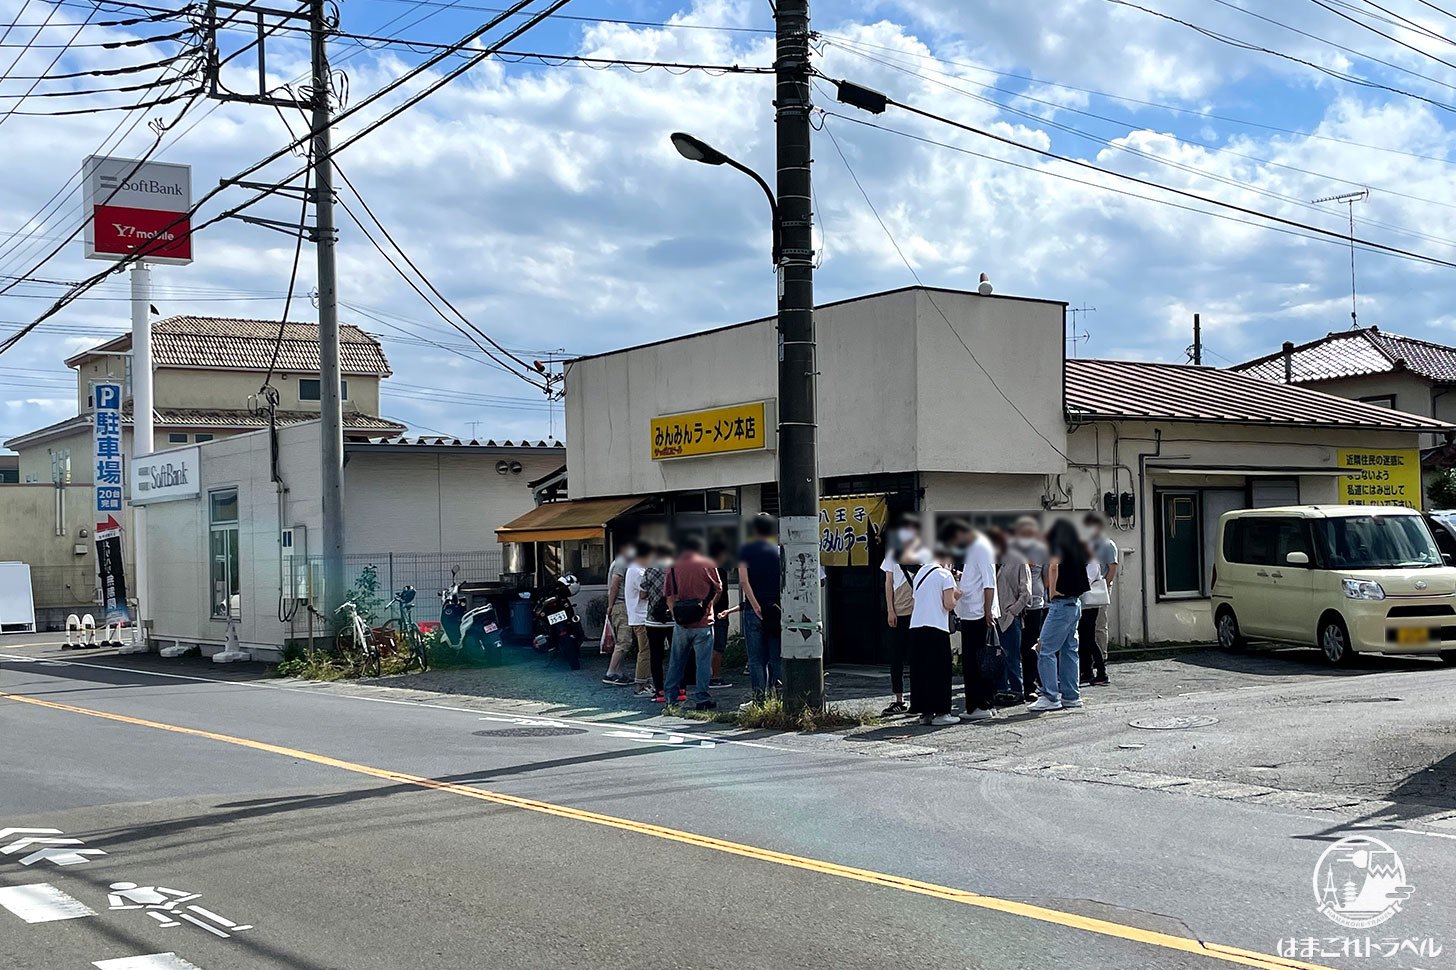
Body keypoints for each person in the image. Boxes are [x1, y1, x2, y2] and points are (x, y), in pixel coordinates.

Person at [1029, 518, 1091, 712]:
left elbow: (1054, 565)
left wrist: (1053, 590)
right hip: (1075, 603)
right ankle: (1071, 695)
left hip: (1060, 605)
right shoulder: (1078, 547)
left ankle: (1050, 695)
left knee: (1045, 648)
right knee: (1069, 650)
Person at [664, 535, 722, 711]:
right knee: (703, 663)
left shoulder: (673, 566)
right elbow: (718, 588)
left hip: (681, 622)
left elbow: (668, 595)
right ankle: (702, 698)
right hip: (704, 621)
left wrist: (676, 614)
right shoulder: (707, 563)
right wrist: (708, 606)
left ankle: (670, 699)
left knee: (676, 661)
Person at [950, 520, 1000, 722]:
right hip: (972, 612)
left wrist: (987, 611)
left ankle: (979, 705)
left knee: (976, 663)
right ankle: (983, 703)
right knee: (979, 661)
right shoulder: (974, 550)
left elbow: (989, 584)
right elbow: (978, 580)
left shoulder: (980, 549)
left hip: (977, 614)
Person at [908, 544, 961, 726]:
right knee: (940, 671)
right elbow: (948, 604)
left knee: (921, 671)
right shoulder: (945, 575)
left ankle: (925, 713)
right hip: (936, 627)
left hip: (916, 627)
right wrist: (958, 596)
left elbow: (916, 601)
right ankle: (942, 713)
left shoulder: (919, 574)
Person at [880, 514, 925, 716]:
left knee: (917, 657)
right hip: (898, 611)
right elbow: (888, 583)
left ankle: (918, 697)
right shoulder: (893, 553)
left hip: (918, 613)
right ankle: (899, 698)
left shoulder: (923, 553)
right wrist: (890, 609)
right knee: (896, 657)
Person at [737, 514, 782, 700]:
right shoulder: (779, 551)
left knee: (756, 660)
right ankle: (777, 697)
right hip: (775, 608)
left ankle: (759, 700)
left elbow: (743, 581)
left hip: (752, 610)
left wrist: (755, 606)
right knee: (776, 657)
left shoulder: (744, 551)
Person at [988, 526, 1030, 707]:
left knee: (1012, 656)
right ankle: (1001, 690)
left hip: (1010, 616)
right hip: (994, 616)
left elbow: (1027, 591)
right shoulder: (991, 561)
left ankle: (1017, 690)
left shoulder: (1019, 561)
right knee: (997, 655)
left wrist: (1014, 610)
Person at [1012, 516, 1048, 701]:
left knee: (1031, 646)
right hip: (1015, 604)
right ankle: (1016, 685)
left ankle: (1031, 684)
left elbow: (1046, 577)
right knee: (1014, 646)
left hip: (1035, 604)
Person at [1085, 512, 1118, 686]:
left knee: (1099, 624)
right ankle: (1089, 664)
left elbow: (1112, 568)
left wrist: (1104, 586)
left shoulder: (1107, 544)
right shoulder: (1089, 544)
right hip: (1089, 587)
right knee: (1089, 628)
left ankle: (1102, 657)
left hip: (1100, 587)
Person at [641, 544, 676, 703]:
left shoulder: (650, 570)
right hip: (674, 619)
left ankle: (660, 692)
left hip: (654, 620)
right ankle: (680, 690)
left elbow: (642, 594)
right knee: (677, 655)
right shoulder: (675, 569)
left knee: (656, 657)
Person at [601, 542, 637, 685]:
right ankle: (611, 673)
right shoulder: (621, 563)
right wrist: (611, 605)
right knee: (624, 641)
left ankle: (617, 672)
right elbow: (615, 584)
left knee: (623, 641)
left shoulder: (618, 562)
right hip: (621, 605)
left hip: (620, 604)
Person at [708, 540, 737, 688]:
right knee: (718, 646)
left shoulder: (705, 568)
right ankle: (714, 676)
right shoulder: (718, 570)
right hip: (719, 613)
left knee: (708, 646)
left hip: (708, 614)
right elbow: (718, 591)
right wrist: (711, 607)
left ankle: (707, 675)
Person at [625, 546, 653, 696]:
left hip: (638, 616)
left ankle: (646, 682)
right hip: (640, 616)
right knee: (645, 651)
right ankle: (641, 685)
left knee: (646, 650)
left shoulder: (634, 569)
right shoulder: (637, 571)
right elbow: (644, 593)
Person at [1078, 550, 1106, 686]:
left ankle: (1102, 672)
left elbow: (1085, 581)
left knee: (1089, 639)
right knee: (1083, 639)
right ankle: (1087, 671)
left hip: (1090, 606)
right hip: (1084, 606)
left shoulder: (1093, 563)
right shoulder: (1084, 562)